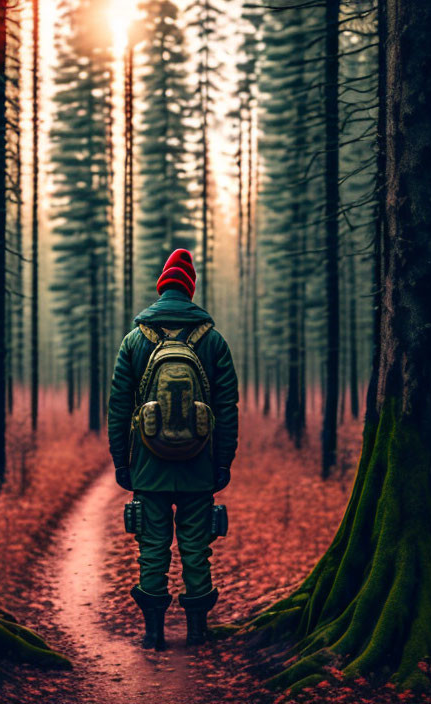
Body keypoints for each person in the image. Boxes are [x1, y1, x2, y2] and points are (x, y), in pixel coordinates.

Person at [107, 249, 239, 651]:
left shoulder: (135, 340)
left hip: (149, 468)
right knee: (197, 550)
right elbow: (227, 409)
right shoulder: (212, 340)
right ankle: (198, 632)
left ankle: (154, 634)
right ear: (190, 288)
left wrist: (121, 462)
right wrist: (222, 462)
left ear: (162, 286)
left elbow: (118, 407)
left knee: (152, 548)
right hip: (199, 468)